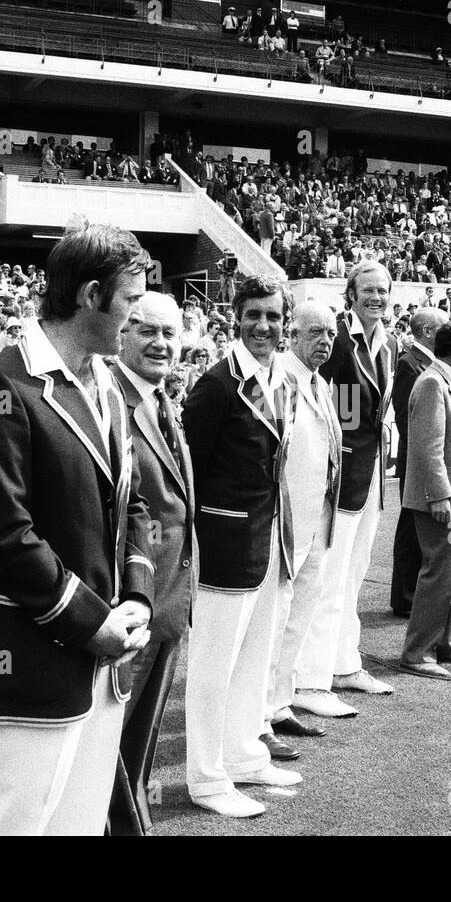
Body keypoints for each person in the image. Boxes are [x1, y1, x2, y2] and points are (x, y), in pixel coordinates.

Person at [0, 222, 156, 836]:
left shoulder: (106, 383)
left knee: (80, 825)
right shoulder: (1, 383)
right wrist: (90, 621)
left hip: (106, 653)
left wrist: (138, 599)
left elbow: (133, 501)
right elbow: (2, 533)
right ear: (91, 295)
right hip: (37, 655)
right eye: (129, 301)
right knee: (15, 827)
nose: (135, 317)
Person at [182, 275, 299, 818]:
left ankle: (245, 755)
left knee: (255, 655)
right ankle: (206, 778)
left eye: (273, 317)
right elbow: (191, 476)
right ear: (237, 316)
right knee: (213, 666)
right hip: (223, 542)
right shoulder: (216, 384)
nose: (263, 326)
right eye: (254, 315)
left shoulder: (281, 378)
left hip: (268, 535)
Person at [107, 292, 197, 836]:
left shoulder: (162, 399)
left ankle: (130, 818)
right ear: (122, 333)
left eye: (170, 332)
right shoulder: (109, 397)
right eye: (147, 331)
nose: (161, 343)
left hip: (170, 598)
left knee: (139, 738)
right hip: (130, 600)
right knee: (111, 737)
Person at [296, 261, 397, 718]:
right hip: (338, 473)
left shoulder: (389, 343)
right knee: (328, 577)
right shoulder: (336, 338)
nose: (376, 297)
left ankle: (343, 662)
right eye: (368, 290)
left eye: (383, 290)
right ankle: (311, 680)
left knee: (353, 574)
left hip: (372, 472)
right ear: (350, 294)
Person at [262, 300, 342, 759]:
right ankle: (255, 716)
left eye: (330, 334)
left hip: (317, 519)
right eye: (314, 333)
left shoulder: (319, 382)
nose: (324, 342)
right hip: (284, 519)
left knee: (298, 616)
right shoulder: (280, 378)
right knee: (274, 620)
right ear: (291, 334)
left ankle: (279, 702)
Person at [399, 320, 451, 678]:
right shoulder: (434, 382)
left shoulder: (448, 379)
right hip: (440, 500)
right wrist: (439, 496)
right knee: (437, 572)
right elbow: (427, 446)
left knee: (448, 570)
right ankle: (417, 652)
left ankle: (443, 642)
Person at [389, 307, 447, 618]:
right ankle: (405, 596)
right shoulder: (409, 364)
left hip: (420, 460)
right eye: (442, 328)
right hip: (416, 461)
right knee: (411, 530)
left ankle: (411, 593)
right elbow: (407, 419)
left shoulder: (422, 363)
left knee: (416, 529)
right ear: (426, 331)